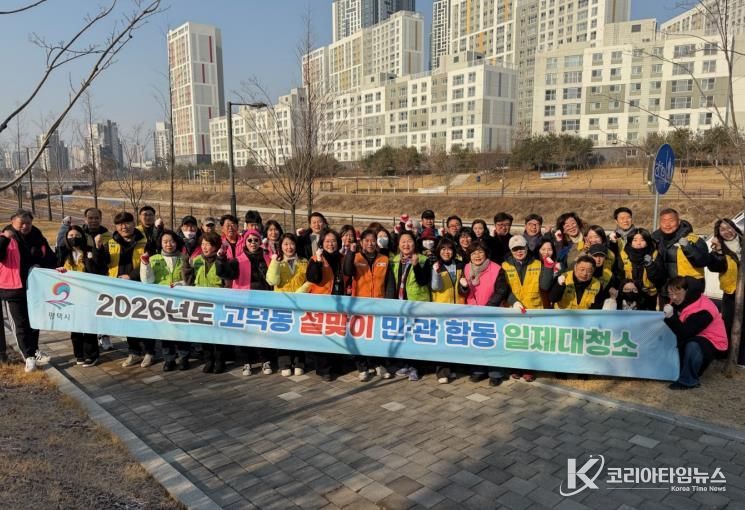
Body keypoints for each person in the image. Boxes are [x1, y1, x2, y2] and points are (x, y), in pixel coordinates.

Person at [94, 212, 153, 368]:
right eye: (120, 224)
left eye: (127, 223)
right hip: (119, 289)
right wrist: (98, 248)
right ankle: (134, 352)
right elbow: (101, 263)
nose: (124, 227)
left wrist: (131, 276)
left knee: (144, 321)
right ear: (116, 226)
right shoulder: (110, 243)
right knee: (128, 322)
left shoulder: (145, 241)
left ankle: (149, 352)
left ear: (134, 223)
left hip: (140, 287)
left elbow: (149, 263)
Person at [0, 210, 56, 370]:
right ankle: (28, 356)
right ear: (12, 222)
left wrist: (51, 267)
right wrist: (5, 238)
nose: (25, 226)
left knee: (34, 321)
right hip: (13, 289)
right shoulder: (5, 237)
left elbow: (49, 258)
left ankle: (34, 350)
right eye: (21, 224)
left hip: (35, 288)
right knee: (20, 324)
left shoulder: (38, 236)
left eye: (28, 223)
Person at [216, 228, 273, 375]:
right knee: (245, 332)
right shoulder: (238, 260)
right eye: (250, 240)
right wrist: (221, 257)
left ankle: (265, 360)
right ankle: (246, 362)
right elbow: (224, 273)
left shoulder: (267, 258)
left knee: (262, 332)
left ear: (260, 242)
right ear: (245, 242)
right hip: (244, 301)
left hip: (264, 301)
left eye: (256, 240)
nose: (253, 243)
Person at [502, 235, 555, 383]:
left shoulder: (537, 263)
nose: (519, 252)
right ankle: (515, 367)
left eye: (522, 248)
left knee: (531, 340)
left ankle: (528, 368)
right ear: (511, 251)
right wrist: (513, 301)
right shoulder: (505, 266)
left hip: (533, 309)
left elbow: (545, 286)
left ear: (527, 248)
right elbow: (504, 288)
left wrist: (548, 267)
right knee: (515, 340)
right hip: (514, 309)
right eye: (515, 249)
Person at [140, 230, 194, 371]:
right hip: (162, 301)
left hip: (181, 301)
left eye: (171, 241)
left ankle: (184, 357)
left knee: (182, 330)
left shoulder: (184, 258)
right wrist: (145, 264)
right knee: (166, 331)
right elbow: (147, 281)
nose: (169, 244)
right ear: (160, 243)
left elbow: (190, 279)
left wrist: (181, 284)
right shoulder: (154, 259)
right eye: (165, 242)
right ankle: (169, 359)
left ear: (176, 242)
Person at [343, 229, 392, 381]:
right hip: (359, 305)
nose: (370, 243)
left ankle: (378, 364)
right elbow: (347, 271)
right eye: (367, 241)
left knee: (376, 337)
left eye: (373, 240)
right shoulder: (355, 257)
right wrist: (351, 253)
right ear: (362, 242)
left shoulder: (384, 259)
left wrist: (389, 303)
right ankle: (362, 367)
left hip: (378, 305)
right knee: (359, 337)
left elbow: (389, 283)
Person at [663, 277, 728, 390]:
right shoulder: (685, 300)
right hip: (694, 336)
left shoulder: (704, 309)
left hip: (712, 340)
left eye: (677, 293)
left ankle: (688, 380)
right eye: (670, 294)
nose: (674, 298)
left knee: (693, 345)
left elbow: (685, 333)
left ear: (687, 291)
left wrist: (671, 317)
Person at [459, 240, 508, 385]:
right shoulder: (466, 268)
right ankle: (478, 370)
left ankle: (495, 373)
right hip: (472, 312)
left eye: (480, 252)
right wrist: (463, 288)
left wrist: (487, 308)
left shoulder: (497, 269)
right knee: (475, 343)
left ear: (486, 254)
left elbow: (501, 291)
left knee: (493, 343)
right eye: (473, 253)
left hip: (492, 312)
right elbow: (462, 291)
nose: (477, 256)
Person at [386, 231, 432, 381]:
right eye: (403, 241)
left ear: (415, 243)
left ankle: (416, 367)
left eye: (409, 241)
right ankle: (405, 364)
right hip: (399, 304)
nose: (406, 244)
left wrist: (416, 265)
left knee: (416, 337)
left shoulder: (424, 260)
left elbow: (423, 281)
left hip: (417, 304)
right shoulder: (394, 261)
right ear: (399, 244)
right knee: (403, 336)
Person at [56, 225, 101, 367]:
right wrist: (58, 270)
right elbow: (54, 269)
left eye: (77, 235)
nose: (74, 238)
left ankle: (91, 355)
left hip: (87, 295)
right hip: (70, 296)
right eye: (70, 236)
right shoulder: (63, 253)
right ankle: (79, 354)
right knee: (75, 327)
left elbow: (97, 270)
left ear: (83, 237)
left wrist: (93, 254)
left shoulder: (89, 252)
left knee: (88, 327)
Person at [266, 233, 310, 376]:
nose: (289, 247)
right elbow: (272, 281)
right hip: (282, 304)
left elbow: (310, 280)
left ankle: (299, 363)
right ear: (281, 246)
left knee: (298, 333)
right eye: (285, 244)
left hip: (299, 304)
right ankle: (284, 363)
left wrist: (301, 291)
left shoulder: (304, 261)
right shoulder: (277, 262)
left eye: (291, 244)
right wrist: (274, 262)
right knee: (283, 333)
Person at [306, 229, 346, 380]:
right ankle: (324, 369)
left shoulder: (343, 258)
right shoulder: (316, 258)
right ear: (322, 243)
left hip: (340, 303)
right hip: (321, 304)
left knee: (337, 334)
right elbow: (313, 278)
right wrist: (317, 260)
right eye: (327, 241)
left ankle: (336, 365)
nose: (331, 244)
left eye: (333, 241)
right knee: (322, 336)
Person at [430, 237, 466, 384]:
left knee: (454, 340)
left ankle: (451, 369)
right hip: (441, 309)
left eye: (449, 249)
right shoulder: (435, 265)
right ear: (439, 251)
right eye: (443, 249)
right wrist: (436, 272)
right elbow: (435, 287)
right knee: (442, 341)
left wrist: (464, 286)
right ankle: (441, 372)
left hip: (458, 308)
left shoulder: (460, 265)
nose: (446, 252)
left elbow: (463, 288)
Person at [652, 208, 709, 299]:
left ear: (679, 222)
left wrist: (688, 247)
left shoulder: (693, 239)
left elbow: (703, 261)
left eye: (671, 221)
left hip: (688, 290)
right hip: (665, 291)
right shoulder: (655, 240)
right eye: (664, 221)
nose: (667, 224)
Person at [708, 218, 743, 365]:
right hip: (731, 291)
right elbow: (715, 267)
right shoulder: (719, 247)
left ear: (735, 227)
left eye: (729, 227)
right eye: (722, 230)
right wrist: (717, 250)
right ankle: (725, 355)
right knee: (727, 323)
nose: (727, 231)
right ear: (718, 233)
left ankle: (741, 358)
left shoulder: (743, 242)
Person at [192, 232, 228, 373]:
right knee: (204, 334)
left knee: (218, 334)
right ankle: (208, 360)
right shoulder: (196, 261)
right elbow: (190, 281)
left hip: (218, 303)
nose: (205, 247)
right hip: (201, 303)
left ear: (215, 246)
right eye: (203, 244)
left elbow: (227, 283)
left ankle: (220, 360)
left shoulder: (223, 260)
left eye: (208, 244)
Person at [619, 229, 663, 311]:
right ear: (630, 242)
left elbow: (659, 279)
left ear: (647, 241)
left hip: (649, 296)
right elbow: (619, 276)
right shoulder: (623, 254)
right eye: (635, 240)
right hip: (629, 295)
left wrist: (650, 265)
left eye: (642, 240)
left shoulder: (655, 254)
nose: (638, 243)